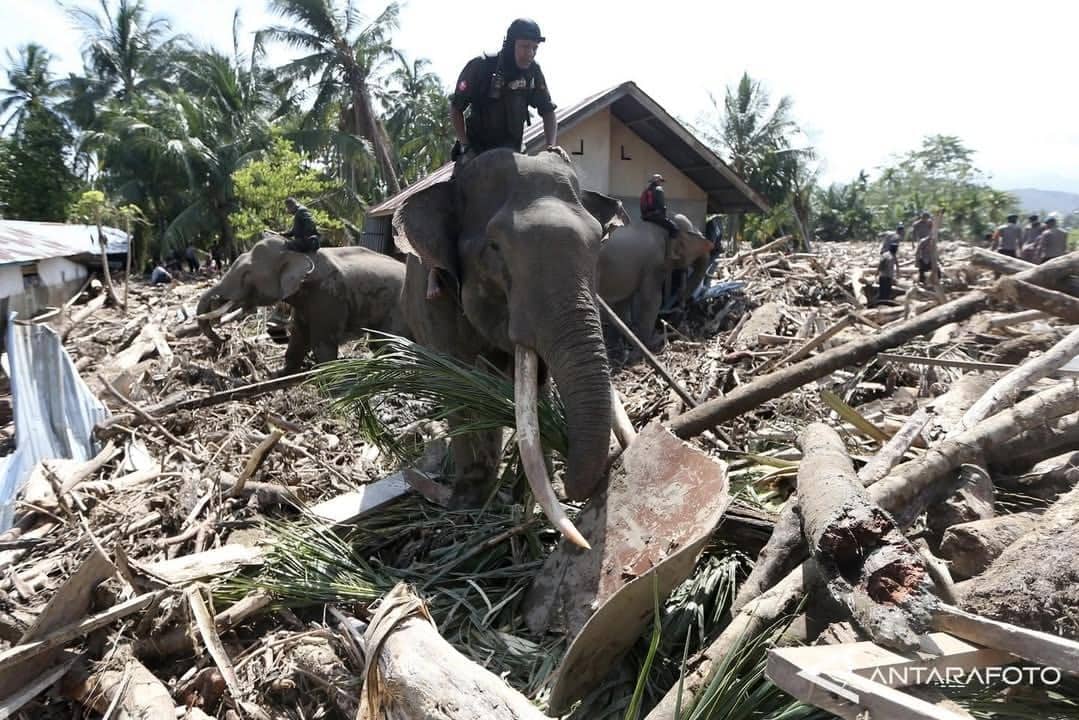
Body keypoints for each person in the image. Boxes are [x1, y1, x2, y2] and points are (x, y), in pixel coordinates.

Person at [449, 18, 561, 162]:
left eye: (535, 48)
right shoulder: (481, 66)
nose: (530, 53)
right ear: (510, 44)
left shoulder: (533, 71)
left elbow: (548, 111)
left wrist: (551, 146)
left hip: (515, 154)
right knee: (461, 183)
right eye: (525, 46)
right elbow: (455, 108)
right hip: (476, 152)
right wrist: (465, 146)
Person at [640, 174, 678, 238]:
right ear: (657, 181)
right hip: (654, 215)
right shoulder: (658, 189)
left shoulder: (646, 190)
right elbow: (661, 205)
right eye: (660, 181)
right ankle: (670, 247)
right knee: (675, 228)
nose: (661, 183)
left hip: (645, 216)